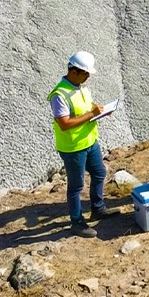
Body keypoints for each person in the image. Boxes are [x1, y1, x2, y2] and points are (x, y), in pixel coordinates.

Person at [49, 51, 119, 238]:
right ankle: (77, 222)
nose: (88, 77)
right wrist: (91, 114)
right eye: (85, 73)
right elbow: (64, 124)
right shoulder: (59, 94)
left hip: (89, 142)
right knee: (76, 185)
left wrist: (99, 112)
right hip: (73, 148)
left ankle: (98, 208)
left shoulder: (81, 88)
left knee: (99, 173)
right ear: (74, 71)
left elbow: (86, 109)